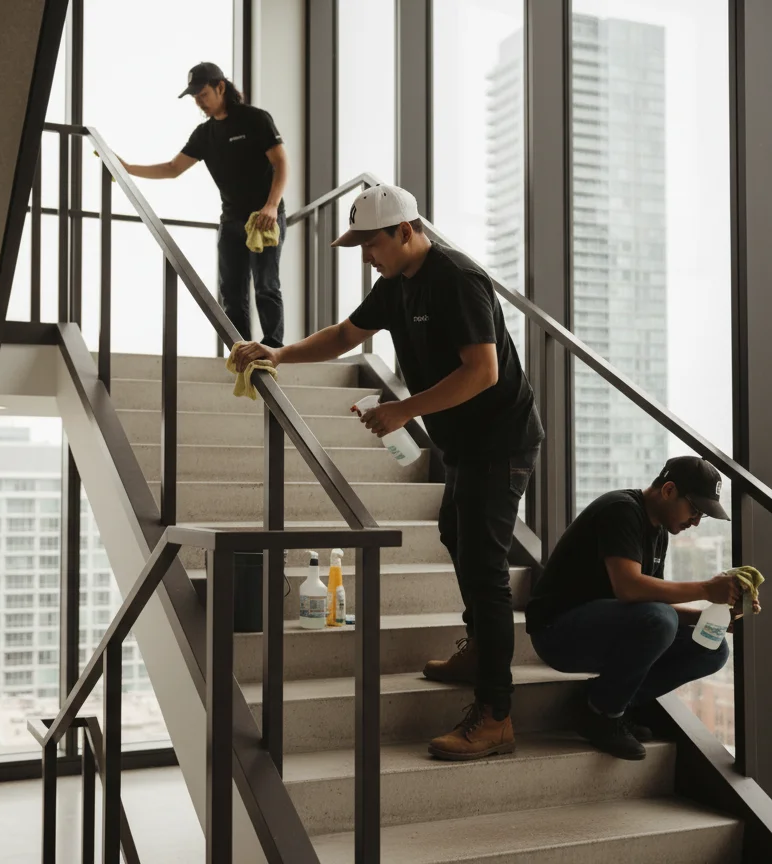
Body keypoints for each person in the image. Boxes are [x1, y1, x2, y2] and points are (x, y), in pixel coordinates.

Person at [233, 184, 545, 762]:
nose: (364, 255)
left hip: (500, 444)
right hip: (464, 444)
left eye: (370, 243)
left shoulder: (457, 279)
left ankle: (497, 715)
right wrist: (277, 353)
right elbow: (346, 337)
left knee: (485, 569)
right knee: (456, 534)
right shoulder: (396, 286)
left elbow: (482, 372)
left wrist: (403, 409)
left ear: (405, 231)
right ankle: (480, 646)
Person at [525, 456, 759, 761]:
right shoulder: (621, 510)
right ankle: (602, 715)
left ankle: (604, 701)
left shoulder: (659, 531)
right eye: (695, 510)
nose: (696, 522)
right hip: (557, 632)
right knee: (660, 620)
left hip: (602, 630)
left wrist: (708, 618)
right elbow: (630, 588)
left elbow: (648, 603)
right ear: (668, 490)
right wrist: (705, 589)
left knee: (712, 648)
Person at [118, 61, 289, 347]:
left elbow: (281, 163)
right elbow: (173, 168)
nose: (200, 102)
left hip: (265, 217)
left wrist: (272, 206)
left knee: (265, 286)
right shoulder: (204, 134)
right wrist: (128, 168)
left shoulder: (256, 119)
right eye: (196, 98)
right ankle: (241, 350)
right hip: (231, 221)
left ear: (221, 87)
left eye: (203, 95)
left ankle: (273, 348)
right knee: (231, 293)